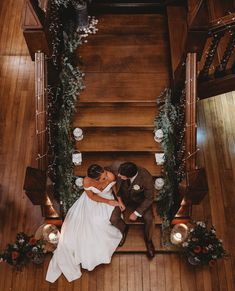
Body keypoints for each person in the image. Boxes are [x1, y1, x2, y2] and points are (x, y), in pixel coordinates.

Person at [46, 164, 127, 283]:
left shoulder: (110, 176)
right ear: (94, 179)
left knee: (101, 222)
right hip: (95, 201)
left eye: (105, 174)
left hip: (108, 197)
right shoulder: (87, 182)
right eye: (103, 179)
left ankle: (117, 232)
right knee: (90, 224)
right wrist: (107, 201)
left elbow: (115, 188)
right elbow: (92, 197)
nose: (106, 178)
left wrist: (118, 201)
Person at [110, 162, 155, 259]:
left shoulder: (146, 178)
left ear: (129, 176)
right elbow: (116, 186)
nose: (118, 176)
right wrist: (119, 201)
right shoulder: (121, 169)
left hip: (140, 201)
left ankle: (149, 241)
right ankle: (124, 229)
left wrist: (136, 213)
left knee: (149, 219)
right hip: (123, 199)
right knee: (113, 219)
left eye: (121, 176)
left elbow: (149, 198)